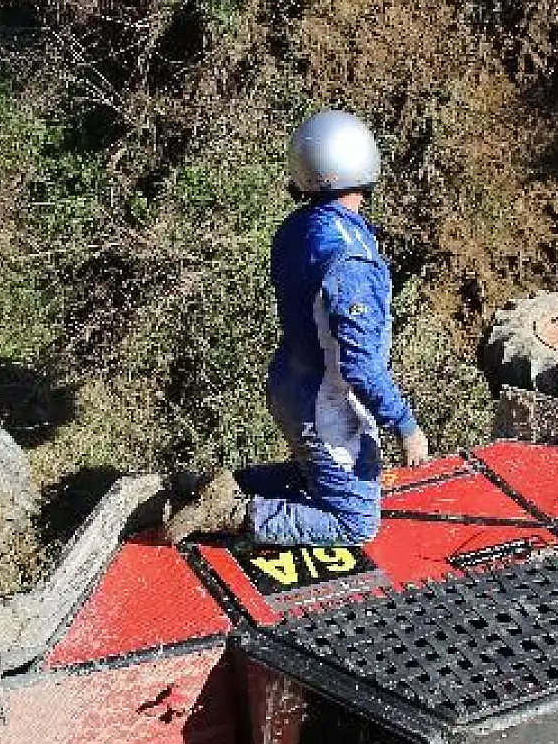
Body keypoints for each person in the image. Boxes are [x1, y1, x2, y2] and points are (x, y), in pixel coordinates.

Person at [164, 110, 429, 546]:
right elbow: (361, 366)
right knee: (356, 523)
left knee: (318, 469)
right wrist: (405, 424)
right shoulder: (352, 262)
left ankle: (224, 485)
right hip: (327, 401)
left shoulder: (298, 228)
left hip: (292, 379)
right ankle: (233, 511)